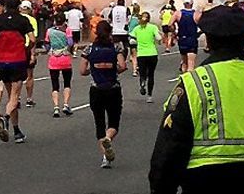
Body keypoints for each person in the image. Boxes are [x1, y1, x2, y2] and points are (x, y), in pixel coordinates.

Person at [149, 5, 244, 194]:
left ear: (208, 42)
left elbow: (169, 149)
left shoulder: (193, 83)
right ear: (243, 37)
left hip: (206, 182)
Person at [0, 0, 35, 144]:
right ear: (19, 7)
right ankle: (6, 117)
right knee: (15, 97)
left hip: (2, 61)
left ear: (5, 6)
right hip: (18, 60)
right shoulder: (23, 20)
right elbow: (32, 39)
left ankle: (17, 130)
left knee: (10, 96)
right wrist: (26, 49)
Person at [80, 20, 127, 168]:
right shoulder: (116, 47)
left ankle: (105, 158)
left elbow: (82, 71)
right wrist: (113, 69)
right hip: (113, 88)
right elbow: (123, 66)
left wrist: (92, 70)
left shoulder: (89, 49)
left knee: (99, 123)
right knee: (113, 122)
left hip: (96, 90)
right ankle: (108, 138)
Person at [44, 13, 74, 117]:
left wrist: (51, 50)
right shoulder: (67, 30)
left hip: (53, 59)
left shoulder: (49, 31)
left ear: (55, 21)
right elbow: (70, 43)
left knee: (55, 84)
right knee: (67, 83)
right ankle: (66, 104)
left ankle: (56, 107)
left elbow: (46, 43)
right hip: (65, 59)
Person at [129, 12, 161, 103]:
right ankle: (149, 96)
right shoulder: (153, 27)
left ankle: (142, 83)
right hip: (152, 53)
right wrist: (159, 38)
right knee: (151, 75)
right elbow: (158, 38)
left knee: (142, 73)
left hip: (141, 54)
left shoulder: (137, 29)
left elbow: (132, 39)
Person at [168, 0, 199, 73]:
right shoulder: (197, 14)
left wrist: (174, 32)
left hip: (182, 38)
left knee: (184, 62)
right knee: (191, 63)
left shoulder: (178, 13)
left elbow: (169, 24)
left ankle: (183, 78)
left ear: (184, 4)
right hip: (192, 39)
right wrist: (198, 33)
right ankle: (189, 80)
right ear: (192, 4)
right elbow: (203, 26)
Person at [19, 0, 39, 108]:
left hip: (17, 49)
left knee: (17, 75)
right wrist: (33, 53)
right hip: (27, 48)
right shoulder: (32, 20)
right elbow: (33, 38)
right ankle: (29, 98)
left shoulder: (16, 19)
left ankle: (16, 97)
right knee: (29, 75)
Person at [127, 5, 141, 76]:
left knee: (133, 55)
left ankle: (134, 70)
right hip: (138, 38)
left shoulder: (130, 18)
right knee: (138, 54)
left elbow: (127, 26)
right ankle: (138, 66)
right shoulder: (139, 19)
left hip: (130, 38)